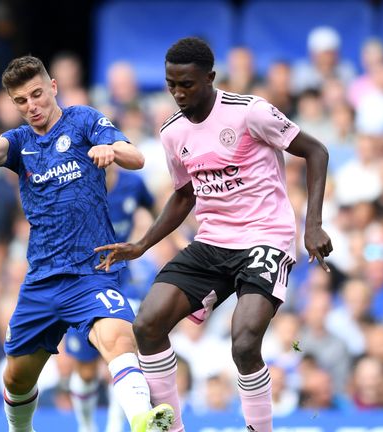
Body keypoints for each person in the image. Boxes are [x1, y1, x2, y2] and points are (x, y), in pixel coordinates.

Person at [96, 37, 333, 431]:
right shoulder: (172, 133)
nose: (177, 92)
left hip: (265, 238)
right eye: (171, 84)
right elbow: (185, 195)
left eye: (186, 84)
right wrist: (141, 245)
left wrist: (312, 224)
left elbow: (317, 151)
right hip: (212, 241)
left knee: (243, 342)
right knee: (147, 325)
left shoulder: (249, 112)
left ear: (210, 78)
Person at [0, 56, 173, 432]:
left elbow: (137, 156)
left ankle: (143, 420)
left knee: (118, 337)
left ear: (53, 87)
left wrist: (111, 150)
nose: (31, 106)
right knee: (16, 379)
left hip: (92, 272)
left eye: (37, 94)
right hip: (43, 280)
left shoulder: (83, 120)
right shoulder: (20, 142)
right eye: (21, 101)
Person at [65, 163, 155, 432]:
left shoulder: (133, 184)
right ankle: (86, 425)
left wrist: (148, 239)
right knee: (87, 371)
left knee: (124, 353)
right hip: (83, 284)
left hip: (122, 282)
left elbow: (152, 210)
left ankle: (116, 426)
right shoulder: (74, 186)